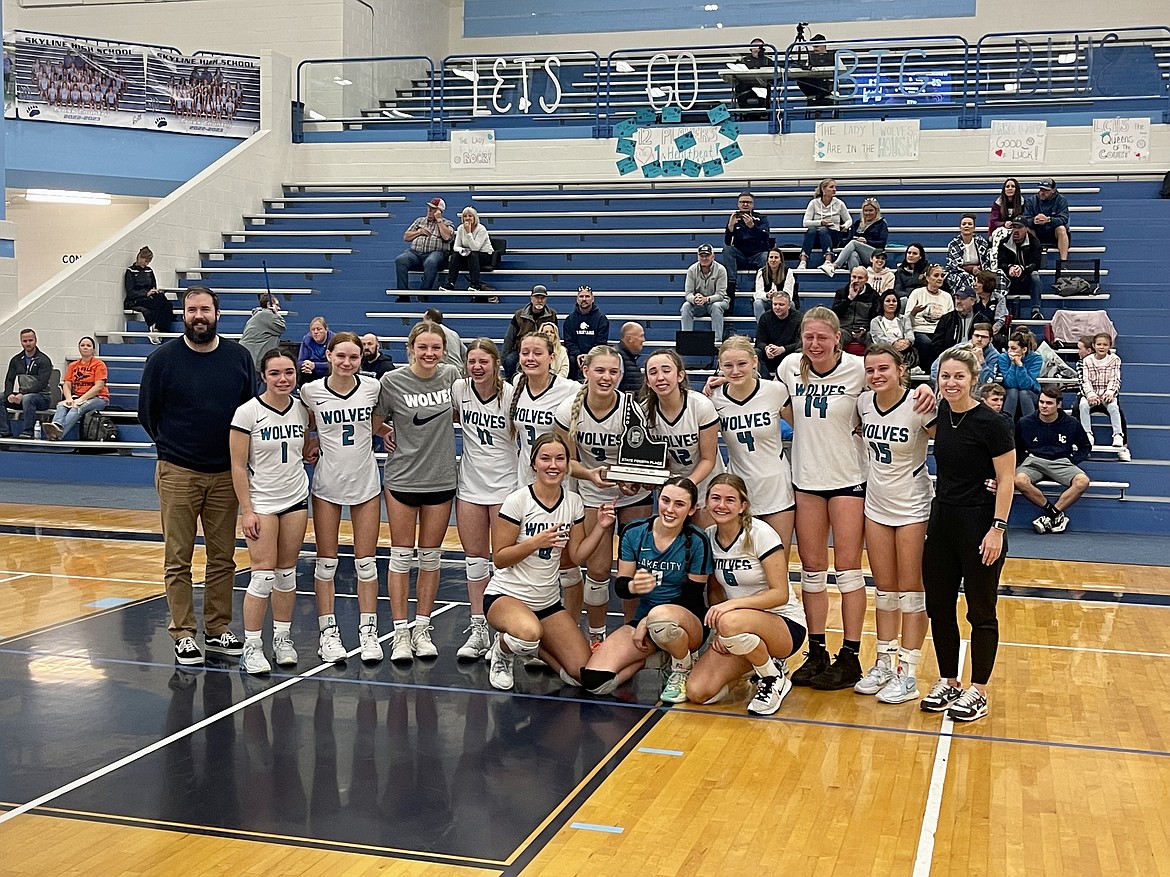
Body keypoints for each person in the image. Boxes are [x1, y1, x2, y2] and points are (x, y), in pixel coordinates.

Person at [777, 307, 934, 691]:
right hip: (806, 478)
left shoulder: (859, 369)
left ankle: (850, 654)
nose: (814, 344)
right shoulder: (787, 368)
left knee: (848, 571)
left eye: (822, 337)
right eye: (808, 337)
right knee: (811, 570)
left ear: (837, 338)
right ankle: (816, 651)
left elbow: (897, 393)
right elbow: (781, 407)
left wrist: (925, 389)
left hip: (849, 479)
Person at [138, 287, 255, 665]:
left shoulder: (238, 357)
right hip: (178, 472)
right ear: (184, 315)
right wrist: (172, 449)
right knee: (178, 557)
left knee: (223, 558)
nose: (198, 315)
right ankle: (183, 632)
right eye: (192, 310)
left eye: (205, 309)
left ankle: (218, 628)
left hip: (225, 474)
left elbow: (248, 411)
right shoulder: (162, 359)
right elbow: (147, 414)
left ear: (217, 314)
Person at [921, 347, 1015, 722]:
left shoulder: (991, 423)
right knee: (939, 607)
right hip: (942, 518)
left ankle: (979, 689)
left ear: (973, 379)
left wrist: (998, 528)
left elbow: (1006, 479)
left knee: (981, 610)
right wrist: (922, 395)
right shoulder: (942, 412)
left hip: (980, 523)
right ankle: (949, 680)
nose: (951, 382)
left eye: (959, 376)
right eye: (945, 376)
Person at [484, 434, 615, 690]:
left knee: (582, 674)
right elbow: (499, 558)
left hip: (547, 603)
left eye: (559, 459)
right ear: (533, 463)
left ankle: (532, 646)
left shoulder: (573, 502)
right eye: (545, 459)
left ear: (568, 464)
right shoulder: (517, 500)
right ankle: (502, 653)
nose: (553, 465)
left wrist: (600, 528)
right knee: (528, 633)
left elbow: (577, 556)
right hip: (507, 596)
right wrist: (536, 542)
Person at [579, 477, 712, 701]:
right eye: (665, 501)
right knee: (595, 682)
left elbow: (693, 597)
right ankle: (658, 659)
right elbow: (621, 587)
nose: (670, 510)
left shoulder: (697, 540)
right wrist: (633, 585)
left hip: (687, 623)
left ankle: (681, 667)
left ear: (692, 510)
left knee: (661, 619)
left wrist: (648, 620)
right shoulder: (634, 532)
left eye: (679, 504)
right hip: (646, 623)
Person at [375, 320, 462, 662]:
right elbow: (373, 421)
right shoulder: (392, 381)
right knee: (400, 556)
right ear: (410, 348)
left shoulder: (452, 377)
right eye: (422, 347)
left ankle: (422, 628)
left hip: (441, 478)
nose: (429, 353)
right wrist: (385, 431)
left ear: (443, 351)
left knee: (430, 557)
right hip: (402, 480)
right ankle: (399, 632)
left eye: (435, 348)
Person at [555, 345, 652, 648]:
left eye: (613, 371)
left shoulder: (631, 408)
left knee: (634, 569)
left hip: (632, 496)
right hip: (593, 492)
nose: (606, 377)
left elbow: (643, 459)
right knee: (597, 572)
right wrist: (591, 474)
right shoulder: (566, 410)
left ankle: (631, 635)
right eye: (600, 370)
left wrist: (630, 479)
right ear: (585, 370)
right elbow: (565, 461)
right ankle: (596, 636)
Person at [686, 474, 806, 714]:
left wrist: (731, 608)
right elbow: (715, 591)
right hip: (738, 628)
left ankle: (773, 678)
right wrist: (718, 633)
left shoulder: (761, 533)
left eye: (730, 500)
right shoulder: (708, 537)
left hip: (783, 624)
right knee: (698, 691)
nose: (722, 505)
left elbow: (780, 594)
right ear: (706, 503)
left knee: (728, 619)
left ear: (743, 506)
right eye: (715, 498)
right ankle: (756, 663)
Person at [855, 345, 935, 704]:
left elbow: (952, 442)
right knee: (884, 591)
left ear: (901, 369)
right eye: (870, 370)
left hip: (913, 507)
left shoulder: (919, 405)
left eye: (883, 368)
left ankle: (909, 671)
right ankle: (884, 662)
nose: (876, 376)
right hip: (876, 505)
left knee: (911, 591)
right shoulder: (863, 404)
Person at [300, 332, 384, 663]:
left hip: (365, 483)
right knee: (327, 563)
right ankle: (328, 633)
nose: (347, 362)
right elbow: (304, 425)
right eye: (342, 356)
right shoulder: (311, 391)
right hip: (328, 485)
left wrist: (384, 431)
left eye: (354, 357)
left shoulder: (373, 387)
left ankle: (368, 631)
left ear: (361, 360)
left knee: (366, 563)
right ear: (329, 356)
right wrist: (310, 441)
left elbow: (375, 422)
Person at [229, 349, 309, 674]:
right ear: (263, 376)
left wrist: (312, 449)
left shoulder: (303, 410)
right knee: (262, 575)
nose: (283, 379)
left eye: (288, 372)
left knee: (286, 574)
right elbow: (236, 466)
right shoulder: (247, 413)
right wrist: (246, 510)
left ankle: (282, 638)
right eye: (275, 373)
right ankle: (252, 645)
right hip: (261, 503)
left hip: (295, 499)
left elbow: (308, 443)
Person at [507, 332, 586, 623]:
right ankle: (523, 623)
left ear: (552, 357)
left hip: (561, 487)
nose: (530, 358)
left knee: (566, 564)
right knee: (526, 560)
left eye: (537, 353)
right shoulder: (516, 385)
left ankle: (571, 625)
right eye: (525, 352)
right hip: (525, 486)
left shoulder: (570, 389)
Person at [449, 338, 519, 661]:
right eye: (472, 361)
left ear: (496, 364)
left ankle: (504, 634)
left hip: (505, 486)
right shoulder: (459, 390)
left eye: (483, 361)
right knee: (475, 560)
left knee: (502, 563)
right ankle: (478, 628)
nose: (477, 367)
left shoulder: (511, 396)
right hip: (471, 485)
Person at [707, 336, 796, 550]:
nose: (735, 370)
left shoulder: (776, 391)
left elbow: (804, 428)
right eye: (728, 365)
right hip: (738, 492)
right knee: (744, 565)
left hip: (777, 489)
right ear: (720, 367)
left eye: (742, 364)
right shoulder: (713, 399)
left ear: (755, 362)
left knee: (777, 566)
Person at [640, 349, 725, 528]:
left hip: (704, 486)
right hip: (671, 491)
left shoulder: (701, 406)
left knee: (704, 544)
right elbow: (651, 458)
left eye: (666, 370)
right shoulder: (644, 411)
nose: (660, 377)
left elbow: (708, 459)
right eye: (653, 373)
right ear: (647, 381)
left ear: (680, 375)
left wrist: (684, 486)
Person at [1015, 386, 1092, 534]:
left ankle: (1051, 515)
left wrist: (1072, 460)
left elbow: (1085, 446)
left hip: (1061, 462)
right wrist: (1025, 460)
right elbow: (1015, 447)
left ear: (1058, 405)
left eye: (1049, 403)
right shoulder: (1025, 422)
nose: (1044, 406)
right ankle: (1054, 514)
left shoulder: (1071, 423)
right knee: (1019, 480)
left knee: (1083, 481)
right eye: (1041, 402)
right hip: (1034, 462)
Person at [44, 336, 108, 441]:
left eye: (88, 345)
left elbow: (98, 387)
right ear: (79, 348)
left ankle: (59, 434)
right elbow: (67, 384)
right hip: (77, 396)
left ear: (93, 349)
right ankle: (55, 426)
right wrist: (68, 398)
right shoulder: (73, 365)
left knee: (77, 407)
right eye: (82, 345)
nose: (85, 348)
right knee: (61, 405)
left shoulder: (99, 365)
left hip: (99, 398)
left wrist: (81, 400)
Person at [1078, 332, 1129, 461]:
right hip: (1092, 394)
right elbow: (1086, 381)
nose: (1102, 347)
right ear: (1094, 346)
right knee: (1082, 405)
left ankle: (1118, 435)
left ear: (1109, 346)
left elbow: (1115, 379)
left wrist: (1109, 393)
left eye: (1105, 344)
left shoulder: (1115, 360)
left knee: (1114, 407)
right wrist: (1090, 395)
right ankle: (1087, 434)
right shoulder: (1087, 360)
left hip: (1107, 394)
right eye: (1099, 344)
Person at [394, 196, 455, 301]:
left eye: (433, 209)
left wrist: (439, 220)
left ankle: (423, 293)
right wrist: (419, 232)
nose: (429, 210)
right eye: (429, 208)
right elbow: (406, 236)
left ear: (440, 211)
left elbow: (447, 237)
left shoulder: (447, 223)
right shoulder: (419, 221)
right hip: (415, 253)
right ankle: (403, 295)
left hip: (436, 253)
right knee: (400, 260)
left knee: (431, 261)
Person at [2, 328, 54, 440]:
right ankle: (5, 431)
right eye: (25, 341)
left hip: (42, 398)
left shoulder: (44, 360)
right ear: (21, 342)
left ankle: (28, 432)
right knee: (1, 397)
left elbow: (42, 383)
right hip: (23, 396)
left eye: (30, 340)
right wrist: (9, 394)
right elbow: (9, 380)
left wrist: (22, 394)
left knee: (28, 398)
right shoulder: (16, 360)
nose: (28, 343)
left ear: (36, 340)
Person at [719, 192, 771, 302]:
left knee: (766, 255)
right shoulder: (734, 217)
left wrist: (752, 227)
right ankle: (731, 285)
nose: (745, 204)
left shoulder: (761, 218)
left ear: (753, 204)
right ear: (738, 204)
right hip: (741, 255)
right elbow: (728, 242)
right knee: (727, 249)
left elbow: (765, 238)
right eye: (742, 202)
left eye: (748, 202)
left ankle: (760, 286)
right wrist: (730, 227)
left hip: (758, 254)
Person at [502, 285, 559, 380]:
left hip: (543, 350)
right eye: (537, 297)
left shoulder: (552, 315)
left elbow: (555, 336)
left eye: (542, 298)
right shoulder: (519, 315)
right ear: (531, 298)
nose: (539, 300)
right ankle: (511, 384)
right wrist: (504, 357)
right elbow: (509, 337)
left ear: (546, 299)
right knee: (510, 360)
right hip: (520, 349)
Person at [994, 221, 1045, 320]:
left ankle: (1036, 310)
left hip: (1025, 279)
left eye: (1019, 227)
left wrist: (1022, 269)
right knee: (998, 274)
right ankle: (1000, 312)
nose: (1016, 231)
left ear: (1026, 229)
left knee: (1035, 275)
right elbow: (1000, 263)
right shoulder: (1004, 242)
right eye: (1014, 227)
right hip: (1009, 279)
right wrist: (1009, 267)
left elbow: (1035, 264)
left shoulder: (1034, 242)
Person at [906, 263, 954, 370]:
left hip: (939, 331)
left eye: (942, 276)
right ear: (927, 278)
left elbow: (951, 320)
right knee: (927, 343)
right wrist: (914, 312)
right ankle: (929, 371)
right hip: (920, 329)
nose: (940, 278)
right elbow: (906, 320)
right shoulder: (917, 293)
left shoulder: (947, 297)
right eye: (936, 275)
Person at [826, 197, 889, 275]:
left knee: (854, 243)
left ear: (876, 211)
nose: (868, 213)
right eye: (866, 211)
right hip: (860, 253)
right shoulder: (858, 223)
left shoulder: (881, 224)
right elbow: (848, 240)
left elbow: (882, 243)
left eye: (871, 210)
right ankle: (856, 279)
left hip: (875, 253)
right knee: (853, 254)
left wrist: (866, 241)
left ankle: (835, 265)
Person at [440, 206, 494, 296]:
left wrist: (469, 233)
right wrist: (463, 250)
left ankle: (475, 285)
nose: (467, 218)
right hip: (468, 254)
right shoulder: (461, 228)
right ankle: (450, 283)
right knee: (455, 255)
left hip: (484, 255)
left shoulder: (481, 229)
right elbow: (456, 247)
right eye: (465, 216)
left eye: (470, 216)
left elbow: (475, 248)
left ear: (475, 217)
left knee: (473, 254)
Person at [798, 178, 850, 270]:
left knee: (823, 230)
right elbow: (805, 222)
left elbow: (849, 220)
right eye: (831, 187)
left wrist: (844, 226)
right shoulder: (814, 203)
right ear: (823, 189)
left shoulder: (839, 203)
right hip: (817, 237)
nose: (834, 189)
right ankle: (803, 261)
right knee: (812, 230)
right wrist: (820, 222)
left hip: (833, 235)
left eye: (835, 187)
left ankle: (828, 260)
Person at [123, 246, 174, 340]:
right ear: (140, 258)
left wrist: (154, 292)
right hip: (136, 299)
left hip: (149, 296)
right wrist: (145, 293)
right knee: (159, 304)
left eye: (148, 262)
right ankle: (156, 327)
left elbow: (153, 285)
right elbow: (130, 292)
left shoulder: (149, 271)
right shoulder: (130, 271)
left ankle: (159, 328)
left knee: (167, 304)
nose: (146, 264)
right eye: (145, 261)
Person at [682, 244, 729, 344]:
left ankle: (717, 342)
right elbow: (688, 294)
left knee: (716, 306)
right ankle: (686, 340)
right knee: (686, 306)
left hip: (718, 301)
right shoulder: (691, 270)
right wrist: (694, 299)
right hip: (699, 303)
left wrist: (706, 299)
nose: (704, 258)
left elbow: (720, 295)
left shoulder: (721, 270)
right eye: (701, 255)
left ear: (713, 256)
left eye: (707, 255)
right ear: (698, 257)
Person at [563, 285, 609, 380]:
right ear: (577, 299)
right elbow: (569, 341)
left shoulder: (601, 319)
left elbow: (601, 342)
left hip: (595, 356)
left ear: (592, 299)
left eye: (587, 296)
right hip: (575, 359)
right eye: (581, 296)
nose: (584, 299)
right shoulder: (570, 320)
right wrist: (578, 355)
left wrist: (589, 355)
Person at [831, 265, 879, 354]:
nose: (856, 280)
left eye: (860, 278)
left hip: (864, 330)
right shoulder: (841, 292)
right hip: (845, 328)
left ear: (866, 279)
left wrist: (865, 329)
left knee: (872, 336)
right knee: (837, 335)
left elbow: (874, 318)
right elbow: (835, 314)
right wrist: (849, 298)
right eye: (854, 277)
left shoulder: (873, 295)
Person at [996, 327, 1042, 420]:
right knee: (1013, 391)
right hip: (1009, 394)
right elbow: (1010, 383)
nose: (1009, 351)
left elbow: (1026, 385)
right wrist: (1013, 364)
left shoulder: (1036, 359)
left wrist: (1020, 366)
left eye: (1013, 348)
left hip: (1030, 394)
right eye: (1008, 347)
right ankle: (1007, 427)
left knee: (1023, 393)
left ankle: (1030, 428)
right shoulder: (1003, 358)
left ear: (1024, 349)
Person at [754, 290, 801, 378]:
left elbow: (800, 342)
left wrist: (783, 349)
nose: (777, 307)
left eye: (781, 304)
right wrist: (766, 348)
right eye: (775, 304)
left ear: (789, 305)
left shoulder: (799, 318)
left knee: (800, 351)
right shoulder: (765, 317)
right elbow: (759, 341)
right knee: (755, 352)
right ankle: (766, 381)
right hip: (770, 355)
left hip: (788, 355)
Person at [944, 214, 992, 299]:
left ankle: (994, 302)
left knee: (999, 275)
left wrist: (980, 269)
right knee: (965, 277)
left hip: (980, 272)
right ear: (960, 227)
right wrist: (971, 269)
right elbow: (953, 266)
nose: (966, 226)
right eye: (964, 224)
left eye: (969, 224)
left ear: (974, 227)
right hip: (958, 273)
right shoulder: (953, 244)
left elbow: (987, 261)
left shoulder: (981, 242)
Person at [1023, 178, 1070, 261]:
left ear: (1053, 190)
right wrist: (1034, 220)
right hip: (1036, 232)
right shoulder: (1031, 200)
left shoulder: (1061, 200)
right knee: (1026, 229)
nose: (1042, 192)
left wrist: (1048, 220)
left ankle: (1063, 262)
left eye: (1046, 190)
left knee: (1062, 229)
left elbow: (1064, 219)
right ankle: (1031, 261)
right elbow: (1026, 219)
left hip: (1053, 233)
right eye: (1041, 190)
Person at [869, 290, 918, 370]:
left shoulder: (904, 319)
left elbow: (909, 332)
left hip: (904, 350)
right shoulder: (876, 321)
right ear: (882, 304)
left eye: (894, 301)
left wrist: (907, 342)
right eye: (888, 301)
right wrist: (894, 343)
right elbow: (879, 338)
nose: (891, 303)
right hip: (885, 349)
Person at [239, 294, 285, 376]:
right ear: (269, 305)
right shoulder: (266, 314)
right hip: (254, 359)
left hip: (250, 357)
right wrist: (277, 314)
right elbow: (281, 327)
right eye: (277, 305)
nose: (279, 308)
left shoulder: (259, 315)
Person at [930, 286, 977, 363]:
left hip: (973, 358)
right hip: (949, 358)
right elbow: (937, 343)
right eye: (957, 298)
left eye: (962, 299)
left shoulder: (981, 320)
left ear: (972, 301)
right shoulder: (947, 319)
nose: (958, 301)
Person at [752, 248, 796, 320]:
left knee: (791, 304)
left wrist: (777, 296)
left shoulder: (788, 272)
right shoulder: (761, 272)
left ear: (780, 260)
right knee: (757, 303)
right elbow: (757, 293)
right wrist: (767, 295)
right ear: (768, 260)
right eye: (771, 257)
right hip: (768, 302)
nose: (773, 260)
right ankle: (763, 329)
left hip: (782, 302)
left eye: (776, 257)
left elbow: (789, 294)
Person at [732, 38, 772, 114]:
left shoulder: (767, 61)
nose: (756, 49)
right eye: (754, 47)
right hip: (746, 86)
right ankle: (744, 113)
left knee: (765, 90)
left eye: (758, 47)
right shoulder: (743, 60)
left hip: (761, 86)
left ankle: (763, 113)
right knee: (739, 88)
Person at [796, 34, 835, 109]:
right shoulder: (811, 57)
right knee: (800, 80)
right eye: (813, 47)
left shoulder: (834, 56)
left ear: (823, 45)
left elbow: (842, 69)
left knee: (825, 84)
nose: (814, 49)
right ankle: (819, 95)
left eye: (816, 47)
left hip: (827, 82)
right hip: (816, 83)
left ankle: (819, 97)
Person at [972, 270, 1009, 345]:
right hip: (974, 332)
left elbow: (1000, 321)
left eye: (978, 282)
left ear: (986, 284)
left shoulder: (999, 298)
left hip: (992, 333)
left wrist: (988, 334)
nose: (974, 284)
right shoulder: (972, 298)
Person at [297, 316, 333, 384]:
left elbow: (334, 363)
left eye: (319, 329)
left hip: (328, 372)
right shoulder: (307, 339)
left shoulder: (333, 340)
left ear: (326, 330)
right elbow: (300, 361)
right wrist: (307, 366)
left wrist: (314, 365)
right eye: (313, 330)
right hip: (310, 371)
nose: (316, 332)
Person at [616, 321, 645, 392]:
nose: (643, 340)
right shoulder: (617, 358)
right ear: (629, 339)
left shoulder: (629, 358)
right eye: (641, 336)